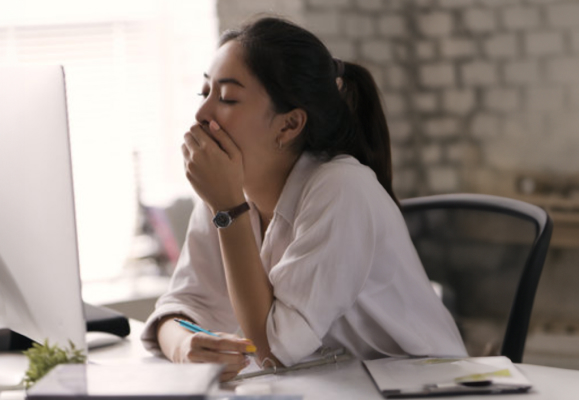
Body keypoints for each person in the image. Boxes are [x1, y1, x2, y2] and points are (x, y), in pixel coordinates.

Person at [141, 17, 466, 382]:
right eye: (204, 93)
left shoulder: (342, 189)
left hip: (426, 386)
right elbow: (180, 306)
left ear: (289, 124)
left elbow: (271, 351)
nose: (202, 115)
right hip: (332, 384)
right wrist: (183, 346)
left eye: (227, 98)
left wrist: (227, 210)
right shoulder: (223, 192)